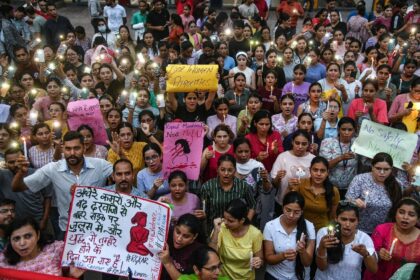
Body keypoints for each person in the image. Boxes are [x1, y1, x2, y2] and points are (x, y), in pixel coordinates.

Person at [11, 131, 113, 240]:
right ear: (63, 149)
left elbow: (124, 179)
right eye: (68, 149)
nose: (72, 153)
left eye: (76, 148)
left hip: (98, 229)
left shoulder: (100, 165)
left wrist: (120, 155)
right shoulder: (53, 168)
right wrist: (20, 173)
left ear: (84, 148)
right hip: (67, 230)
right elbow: (17, 187)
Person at [0, 217, 84, 277]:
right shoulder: (3, 262)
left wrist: (72, 275)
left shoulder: (55, 250)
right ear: (9, 240)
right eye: (16, 238)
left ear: (38, 235)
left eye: (28, 236)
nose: (22, 243)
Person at [315, 201, 378, 280]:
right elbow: (322, 267)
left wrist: (365, 254)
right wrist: (322, 247)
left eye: (352, 220)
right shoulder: (324, 233)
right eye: (343, 219)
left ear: (358, 221)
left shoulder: (364, 238)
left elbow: (373, 269)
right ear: (336, 219)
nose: (347, 224)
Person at [346, 152, 403, 234]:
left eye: (386, 169)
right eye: (378, 168)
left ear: (391, 169)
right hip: (359, 230)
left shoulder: (397, 184)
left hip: (383, 232)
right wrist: (353, 201)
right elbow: (347, 200)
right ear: (372, 167)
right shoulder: (360, 179)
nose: (382, 172)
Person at [263, 191, 316, 280]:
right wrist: (283, 256)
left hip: (300, 277)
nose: (291, 215)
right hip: (275, 276)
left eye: (296, 212)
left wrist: (302, 251)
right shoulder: (270, 226)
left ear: (302, 212)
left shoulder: (309, 227)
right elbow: (268, 258)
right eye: (288, 210)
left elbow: (307, 263)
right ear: (282, 207)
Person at [365, 198, 420, 280]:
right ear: (395, 213)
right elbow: (369, 256)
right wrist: (379, 254)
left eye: (411, 215)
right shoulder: (382, 230)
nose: (405, 217)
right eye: (401, 212)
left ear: (418, 219)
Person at [200, 154, 256, 233]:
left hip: (237, 230)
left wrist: (245, 223)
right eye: (223, 170)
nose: (226, 173)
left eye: (230, 170)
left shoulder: (242, 186)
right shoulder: (207, 187)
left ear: (235, 170)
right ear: (217, 170)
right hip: (215, 230)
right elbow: (204, 213)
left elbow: (252, 205)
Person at [210, 199, 263, 280]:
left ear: (242, 220)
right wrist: (216, 231)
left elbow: (260, 259)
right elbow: (211, 254)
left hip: (246, 278)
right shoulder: (221, 228)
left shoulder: (255, 234)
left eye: (230, 221)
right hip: (223, 277)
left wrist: (258, 262)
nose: (226, 222)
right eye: (224, 218)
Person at [0, 148, 52, 230]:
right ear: (5, 163)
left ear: (24, 159)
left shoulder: (37, 174)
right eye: (11, 162)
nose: (16, 165)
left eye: (18, 161)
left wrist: (44, 220)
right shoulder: (2, 176)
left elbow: (48, 197)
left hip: (37, 220)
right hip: (14, 223)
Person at [289, 156, 340, 232]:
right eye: (315, 170)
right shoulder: (301, 184)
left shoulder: (333, 191)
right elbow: (289, 206)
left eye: (322, 171)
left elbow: (332, 216)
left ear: (327, 173)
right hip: (301, 228)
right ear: (310, 170)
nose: (318, 174)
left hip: (322, 230)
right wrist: (290, 188)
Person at [233, 137, 274, 229]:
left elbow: (266, 190)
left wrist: (265, 180)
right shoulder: (230, 165)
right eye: (240, 152)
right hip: (232, 211)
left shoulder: (257, 166)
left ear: (250, 151)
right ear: (234, 152)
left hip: (254, 212)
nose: (243, 155)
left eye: (246, 151)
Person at [271, 130, 316, 212]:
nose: (300, 146)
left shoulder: (313, 159)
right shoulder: (282, 157)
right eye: (297, 143)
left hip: (306, 203)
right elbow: (274, 184)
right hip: (283, 202)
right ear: (292, 142)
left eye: (304, 144)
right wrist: (278, 177)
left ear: (309, 144)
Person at [319, 117, 357, 198]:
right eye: (343, 129)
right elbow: (323, 167)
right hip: (330, 187)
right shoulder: (327, 142)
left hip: (350, 188)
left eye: (350, 130)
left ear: (354, 130)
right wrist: (340, 158)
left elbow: (366, 163)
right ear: (338, 129)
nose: (346, 132)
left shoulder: (358, 144)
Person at [158, 214, 204, 280]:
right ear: (174, 226)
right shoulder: (165, 235)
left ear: (194, 236)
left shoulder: (199, 253)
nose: (179, 239)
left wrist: (167, 263)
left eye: (186, 236)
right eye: (177, 232)